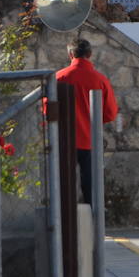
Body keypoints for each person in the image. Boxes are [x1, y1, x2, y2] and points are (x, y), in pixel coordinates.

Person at [54, 38, 119, 204]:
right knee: (90, 185)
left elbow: (49, 110)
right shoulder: (100, 79)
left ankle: (65, 223)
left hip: (65, 140)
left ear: (70, 54)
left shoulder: (59, 78)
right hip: (91, 140)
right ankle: (92, 222)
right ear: (90, 54)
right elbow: (110, 114)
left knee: (65, 185)